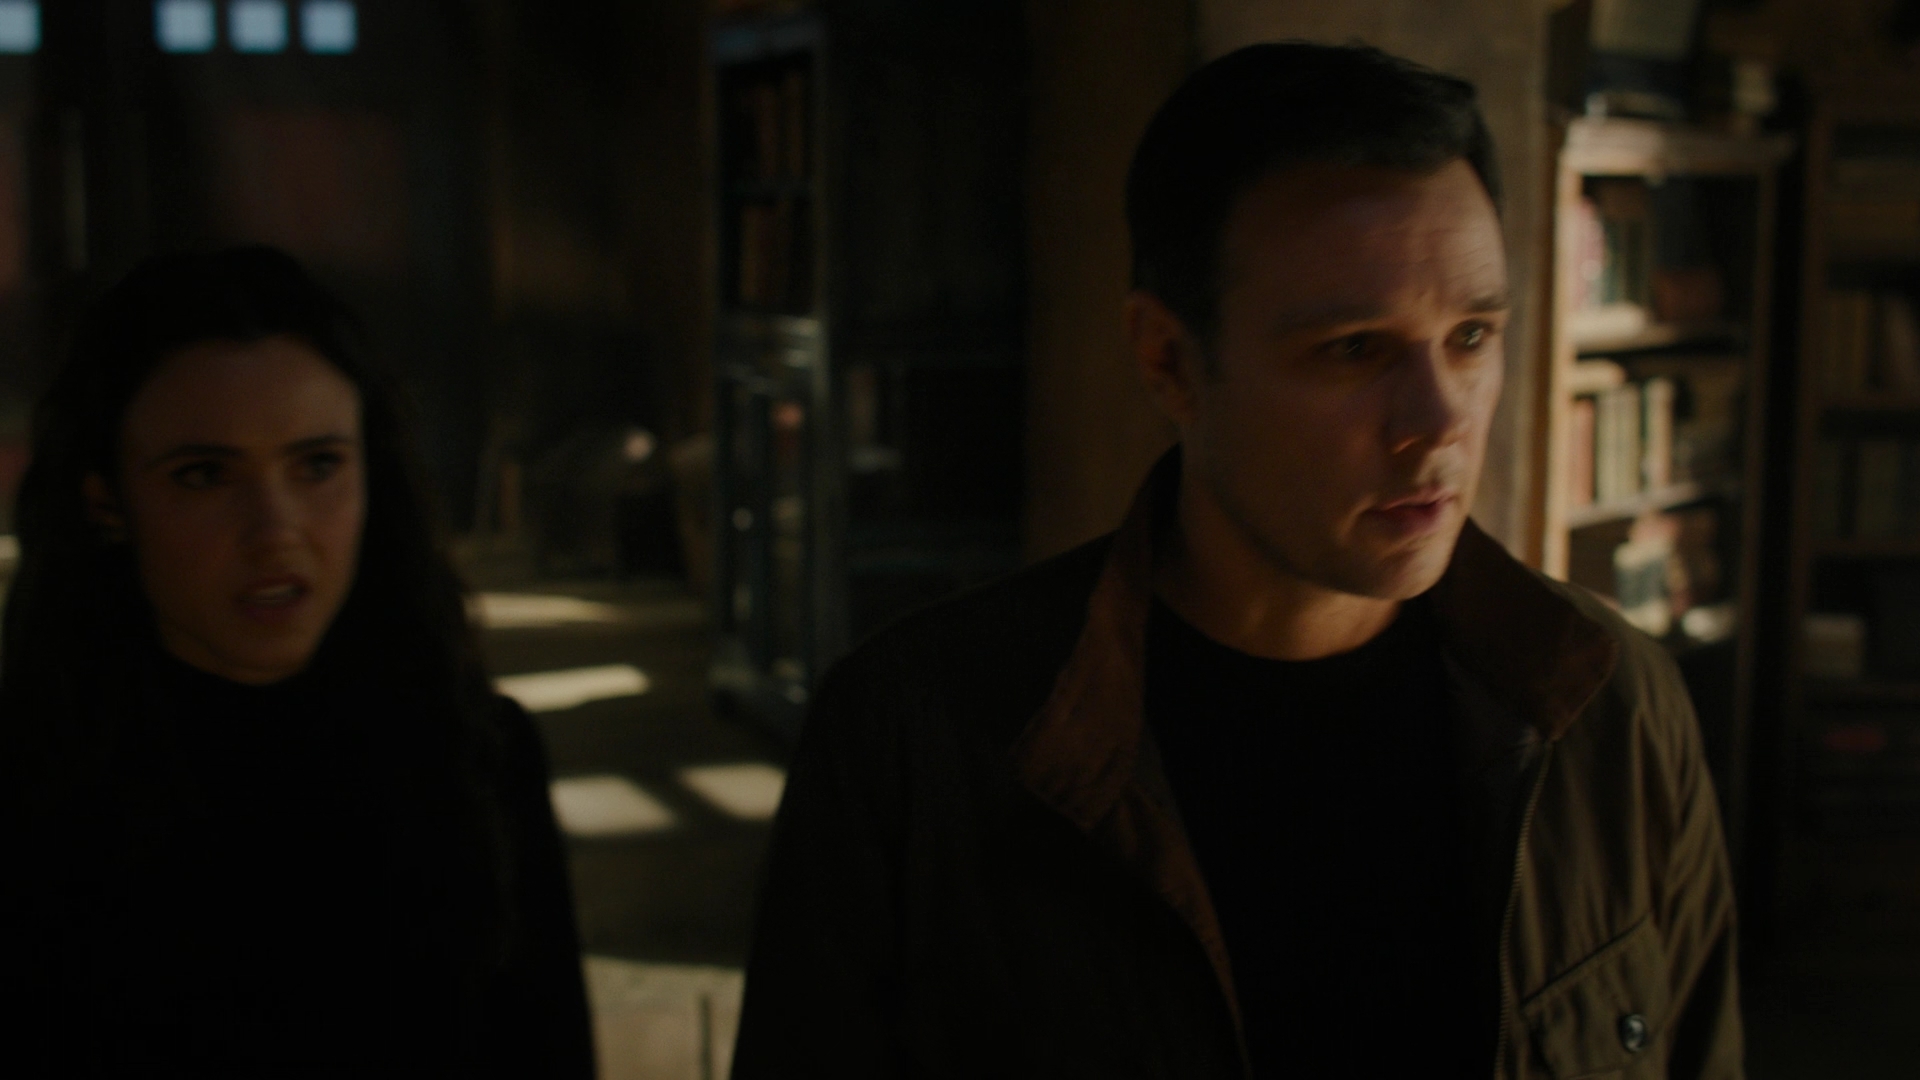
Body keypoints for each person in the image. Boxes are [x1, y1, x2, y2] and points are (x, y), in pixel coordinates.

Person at [732, 43, 1741, 1079]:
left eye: (1472, 336)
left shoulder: (1612, 709)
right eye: (1354, 348)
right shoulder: (912, 745)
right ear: (1168, 359)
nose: (1439, 421)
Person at [0, 247, 595, 1075]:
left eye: (317, 465)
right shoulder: (34, 786)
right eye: (205, 475)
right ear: (107, 502)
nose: (275, 530)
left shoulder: (478, 756)